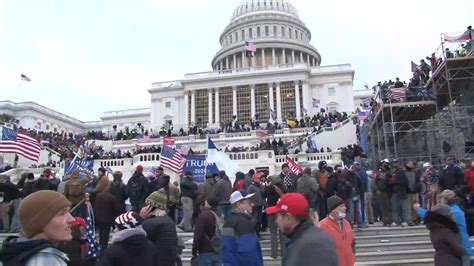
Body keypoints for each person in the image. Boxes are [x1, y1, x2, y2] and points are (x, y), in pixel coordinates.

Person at [0, 190, 75, 265]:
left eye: (69, 212)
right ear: (39, 223)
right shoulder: (45, 261)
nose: (72, 219)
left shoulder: (21, 254)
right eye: (62, 214)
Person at [266, 193, 338, 266]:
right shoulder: (308, 239)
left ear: (288, 217)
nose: (276, 221)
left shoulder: (307, 247)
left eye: (278, 216)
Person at [415, 189, 472, 265]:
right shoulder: (457, 210)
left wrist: (418, 209)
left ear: (445, 200)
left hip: (461, 246)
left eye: (441, 198)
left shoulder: (450, 212)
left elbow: (430, 215)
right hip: (463, 246)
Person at [221, 190, 262, 266]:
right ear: (239, 205)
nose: (252, 205)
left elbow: (227, 250)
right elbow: (249, 253)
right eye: (249, 202)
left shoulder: (228, 222)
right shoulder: (244, 223)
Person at [141, 189, 178, 266]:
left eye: (148, 205)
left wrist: (142, 218)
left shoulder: (149, 224)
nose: (145, 207)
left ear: (152, 207)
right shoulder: (169, 221)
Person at [319, 195, 356, 266]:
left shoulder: (346, 223)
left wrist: (352, 256)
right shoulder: (323, 226)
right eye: (341, 206)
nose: (345, 208)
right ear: (333, 209)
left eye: (344, 206)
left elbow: (352, 243)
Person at [192, 197, 222, 266]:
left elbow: (198, 234)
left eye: (206, 202)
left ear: (209, 204)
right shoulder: (220, 215)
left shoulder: (204, 215)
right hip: (219, 250)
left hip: (205, 251)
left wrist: (194, 249)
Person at [262, 175, 285, 258]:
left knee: (273, 233)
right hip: (281, 212)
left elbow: (263, 195)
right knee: (282, 233)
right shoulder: (282, 188)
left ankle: (274, 253)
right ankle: (284, 252)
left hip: (271, 212)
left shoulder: (270, 188)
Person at [94, 189, 122, 253]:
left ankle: (99, 249)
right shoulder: (112, 198)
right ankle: (103, 251)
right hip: (107, 220)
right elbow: (116, 210)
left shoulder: (98, 196)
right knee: (105, 238)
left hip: (98, 219)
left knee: (100, 235)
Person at [389, 159, 410, 227]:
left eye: (396, 162)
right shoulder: (390, 172)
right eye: (393, 163)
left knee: (404, 207)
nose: (395, 164)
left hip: (401, 192)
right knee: (395, 207)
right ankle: (395, 221)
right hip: (393, 192)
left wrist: (396, 181)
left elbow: (405, 182)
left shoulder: (401, 171)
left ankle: (405, 220)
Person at [247, 172, 264, 237]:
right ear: (254, 179)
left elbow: (262, 193)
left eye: (259, 178)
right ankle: (254, 232)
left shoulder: (260, 186)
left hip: (260, 204)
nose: (259, 179)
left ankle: (258, 231)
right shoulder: (251, 187)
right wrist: (250, 203)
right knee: (255, 220)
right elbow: (248, 195)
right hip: (254, 205)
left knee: (259, 220)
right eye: (258, 178)